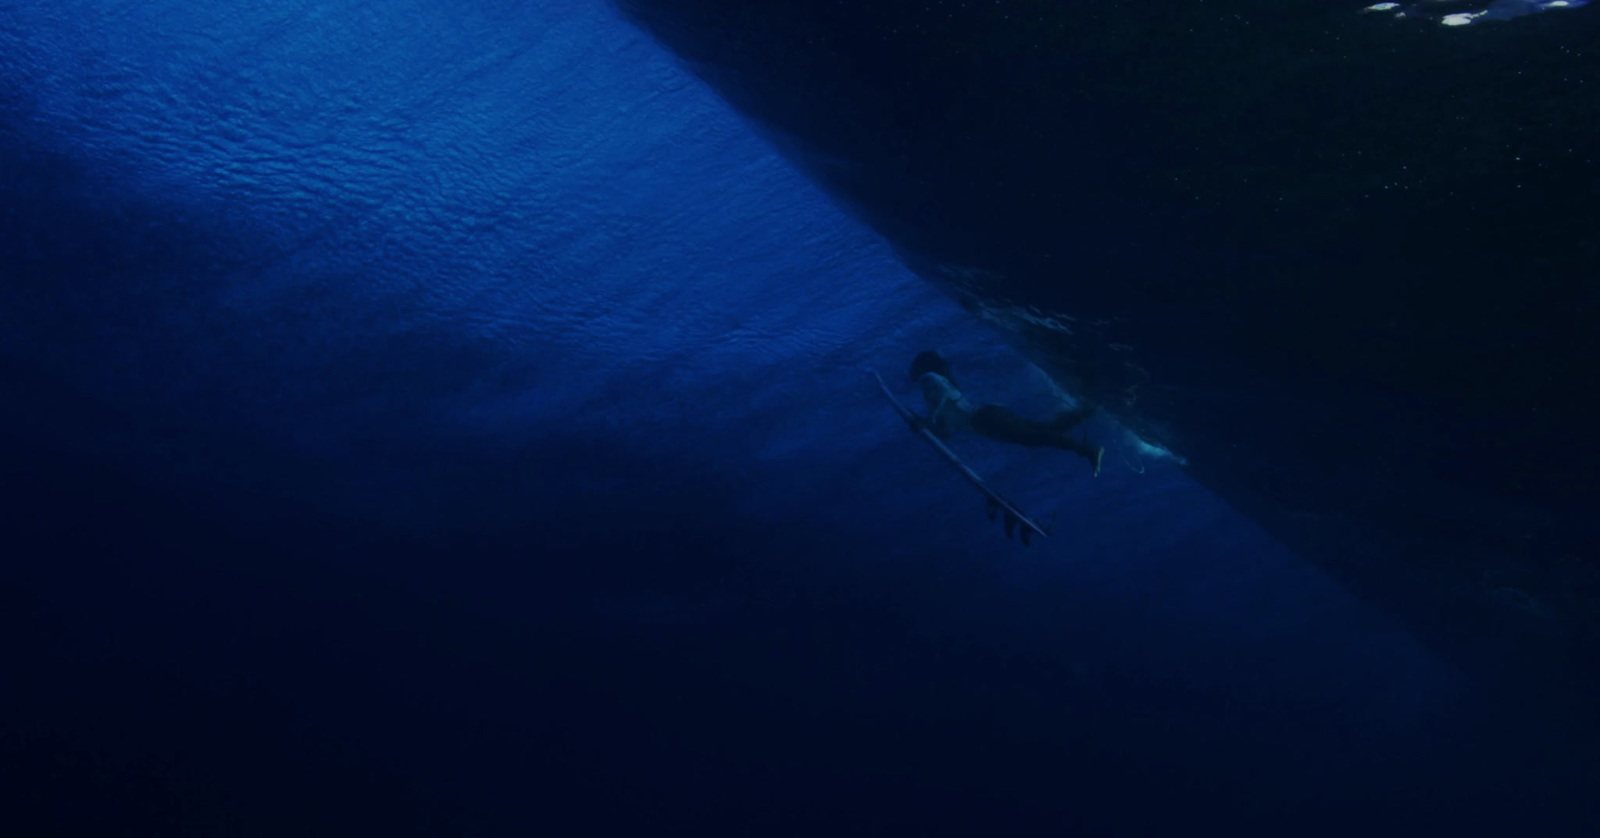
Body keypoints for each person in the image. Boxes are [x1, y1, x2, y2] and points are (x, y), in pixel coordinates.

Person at [908, 349, 1104, 477]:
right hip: (987, 419)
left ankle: (1089, 449)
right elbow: (946, 434)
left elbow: (945, 395)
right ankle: (1093, 407)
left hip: (984, 420)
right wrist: (925, 427)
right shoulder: (934, 394)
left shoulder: (929, 378)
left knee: (1035, 437)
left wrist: (926, 421)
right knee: (1045, 430)